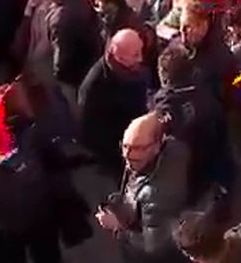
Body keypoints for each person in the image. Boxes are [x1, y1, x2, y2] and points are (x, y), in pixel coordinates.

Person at [95, 112, 190, 262]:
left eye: (138, 149)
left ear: (157, 146)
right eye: (125, 146)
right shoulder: (172, 148)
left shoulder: (156, 196)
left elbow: (152, 247)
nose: (128, 156)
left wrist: (117, 226)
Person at [78, 28, 153, 178]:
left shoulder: (134, 70)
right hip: (118, 154)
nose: (141, 59)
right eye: (135, 55)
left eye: (140, 52)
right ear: (118, 57)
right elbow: (94, 135)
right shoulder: (94, 88)